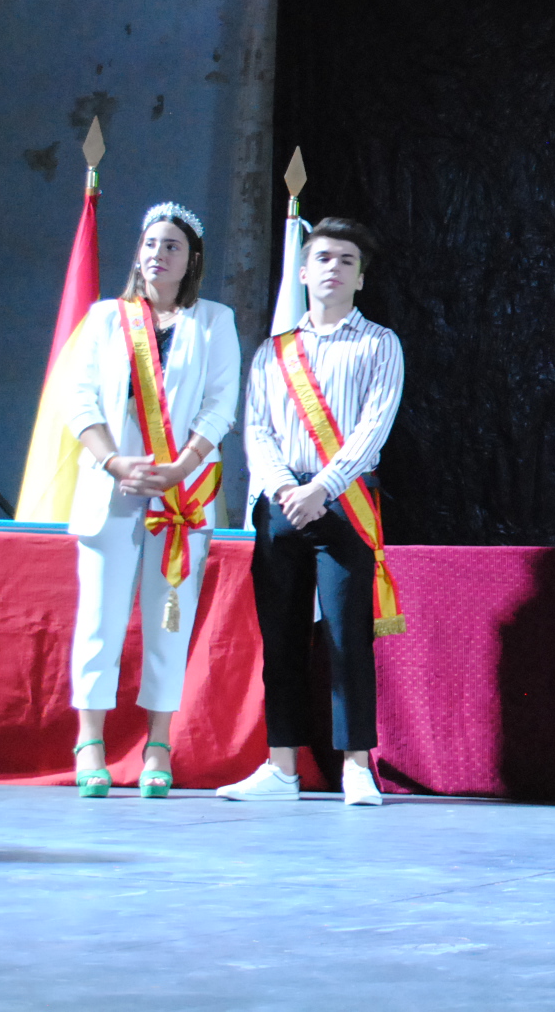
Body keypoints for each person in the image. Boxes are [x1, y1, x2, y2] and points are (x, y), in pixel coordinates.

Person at [218, 217, 406, 807]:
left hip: (344, 502)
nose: (333, 268)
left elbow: (373, 427)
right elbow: (257, 429)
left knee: (348, 638)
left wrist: (321, 487)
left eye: (347, 260)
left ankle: (356, 766)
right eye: (323, 258)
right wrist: (283, 489)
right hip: (280, 504)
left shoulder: (380, 344)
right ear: (302, 272)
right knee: (281, 638)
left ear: (361, 277)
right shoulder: (273, 352)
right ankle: (281, 766)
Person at [65, 203, 240, 797]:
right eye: (150, 244)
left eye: (172, 246)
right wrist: (115, 462)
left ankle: (158, 744)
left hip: (181, 492)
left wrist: (180, 468)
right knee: (100, 618)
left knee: (171, 618)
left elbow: (220, 404)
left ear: (192, 260)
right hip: (113, 484)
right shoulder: (104, 318)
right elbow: (80, 399)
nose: (158, 254)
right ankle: (90, 742)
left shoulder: (214, 321)